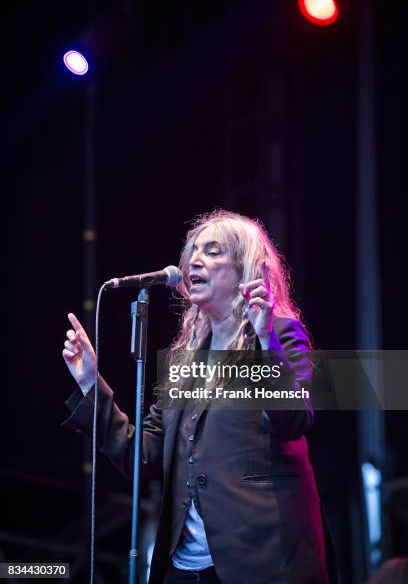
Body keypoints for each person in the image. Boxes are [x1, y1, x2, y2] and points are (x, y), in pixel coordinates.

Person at [62, 209, 330, 584]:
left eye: (214, 251)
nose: (195, 260)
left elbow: (293, 419)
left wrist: (265, 339)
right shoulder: (186, 360)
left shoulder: (278, 337)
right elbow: (142, 456)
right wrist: (92, 383)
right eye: (193, 252)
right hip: (185, 569)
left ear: (245, 269)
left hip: (262, 564)